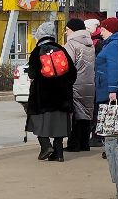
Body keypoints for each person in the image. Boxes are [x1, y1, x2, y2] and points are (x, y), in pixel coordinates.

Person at [24, 22, 76, 160]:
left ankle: (46, 146)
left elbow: (32, 74)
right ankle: (59, 154)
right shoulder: (62, 50)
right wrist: (64, 85)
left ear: (40, 36)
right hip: (62, 97)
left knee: (38, 121)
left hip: (42, 97)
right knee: (59, 124)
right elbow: (73, 73)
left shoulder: (37, 51)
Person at [64, 18, 96, 153]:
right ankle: (85, 143)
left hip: (75, 82)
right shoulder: (90, 43)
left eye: (67, 30)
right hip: (89, 83)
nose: (66, 33)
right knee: (86, 113)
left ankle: (74, 144)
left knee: (76, 113)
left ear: (73, 30)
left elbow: (67, 64)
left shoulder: (71, 44)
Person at [94, 17, 118, 146]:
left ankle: (112, 146)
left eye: (103, 29)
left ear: (110, 30)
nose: (101, 32)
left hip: (107, 88)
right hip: (106, 86)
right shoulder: (113, 44)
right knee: (112, 117)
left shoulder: (113, 45)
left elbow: (114, 67)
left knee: (110, 118)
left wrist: (112, 89)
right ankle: (111, 145)